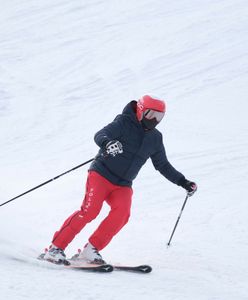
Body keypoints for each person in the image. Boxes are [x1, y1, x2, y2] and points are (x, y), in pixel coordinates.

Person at [42, 95, 197, 264]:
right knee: (90, 211)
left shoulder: (155, 138)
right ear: (140, 110)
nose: (154, 120)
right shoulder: (123, 123)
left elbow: (163, 165)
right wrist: (107, 143)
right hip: (101, 174)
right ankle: (55, 248)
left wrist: (183, 182)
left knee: (122, 214)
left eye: (159, 116)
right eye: (151, 114)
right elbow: (100, 134)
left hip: (123, 184)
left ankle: (90, 250)